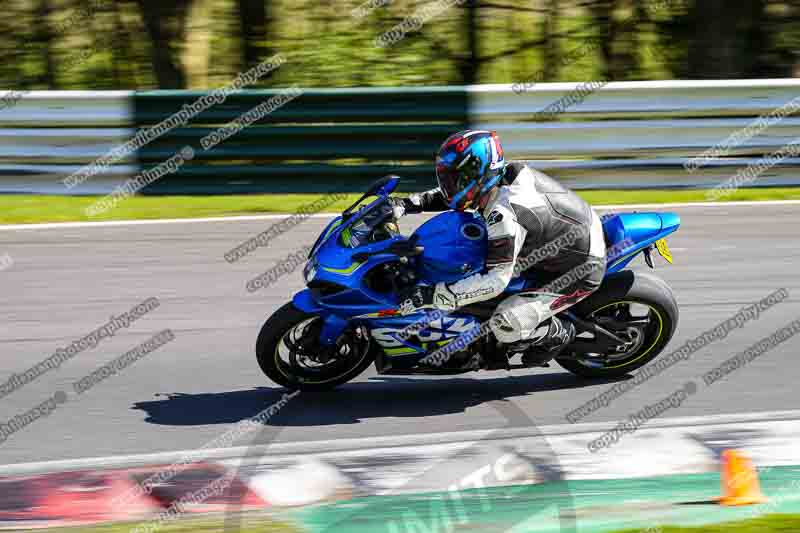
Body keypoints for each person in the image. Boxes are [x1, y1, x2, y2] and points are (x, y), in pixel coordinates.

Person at [393, 130, 607, 366]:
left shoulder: (503, 215)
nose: (448, 185)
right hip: (564, 237)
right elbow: (460, 194)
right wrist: (408, 204)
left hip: (579, 268)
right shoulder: (497, 179)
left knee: (506, 322)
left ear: (478, 175)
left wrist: (431, 296)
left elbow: (495, 281)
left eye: (454, 179)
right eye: (447, 178)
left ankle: (556, 332)